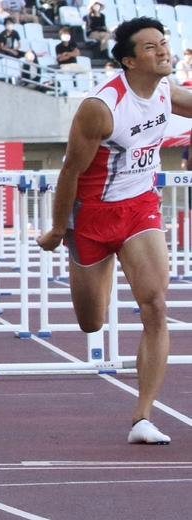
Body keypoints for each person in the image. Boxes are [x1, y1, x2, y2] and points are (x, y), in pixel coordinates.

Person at [36, 17, 192, 445]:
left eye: (164, 43)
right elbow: (70, 170)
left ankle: (142, 416)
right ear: (128, 60)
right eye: (150, 47)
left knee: (156, 305)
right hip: (92, 216)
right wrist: (56, 228)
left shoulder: (162, 89)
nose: (163, 51)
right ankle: (91, 273)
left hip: (141, 207)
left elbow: (186, 99)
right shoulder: (101, 108)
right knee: (91, 322)